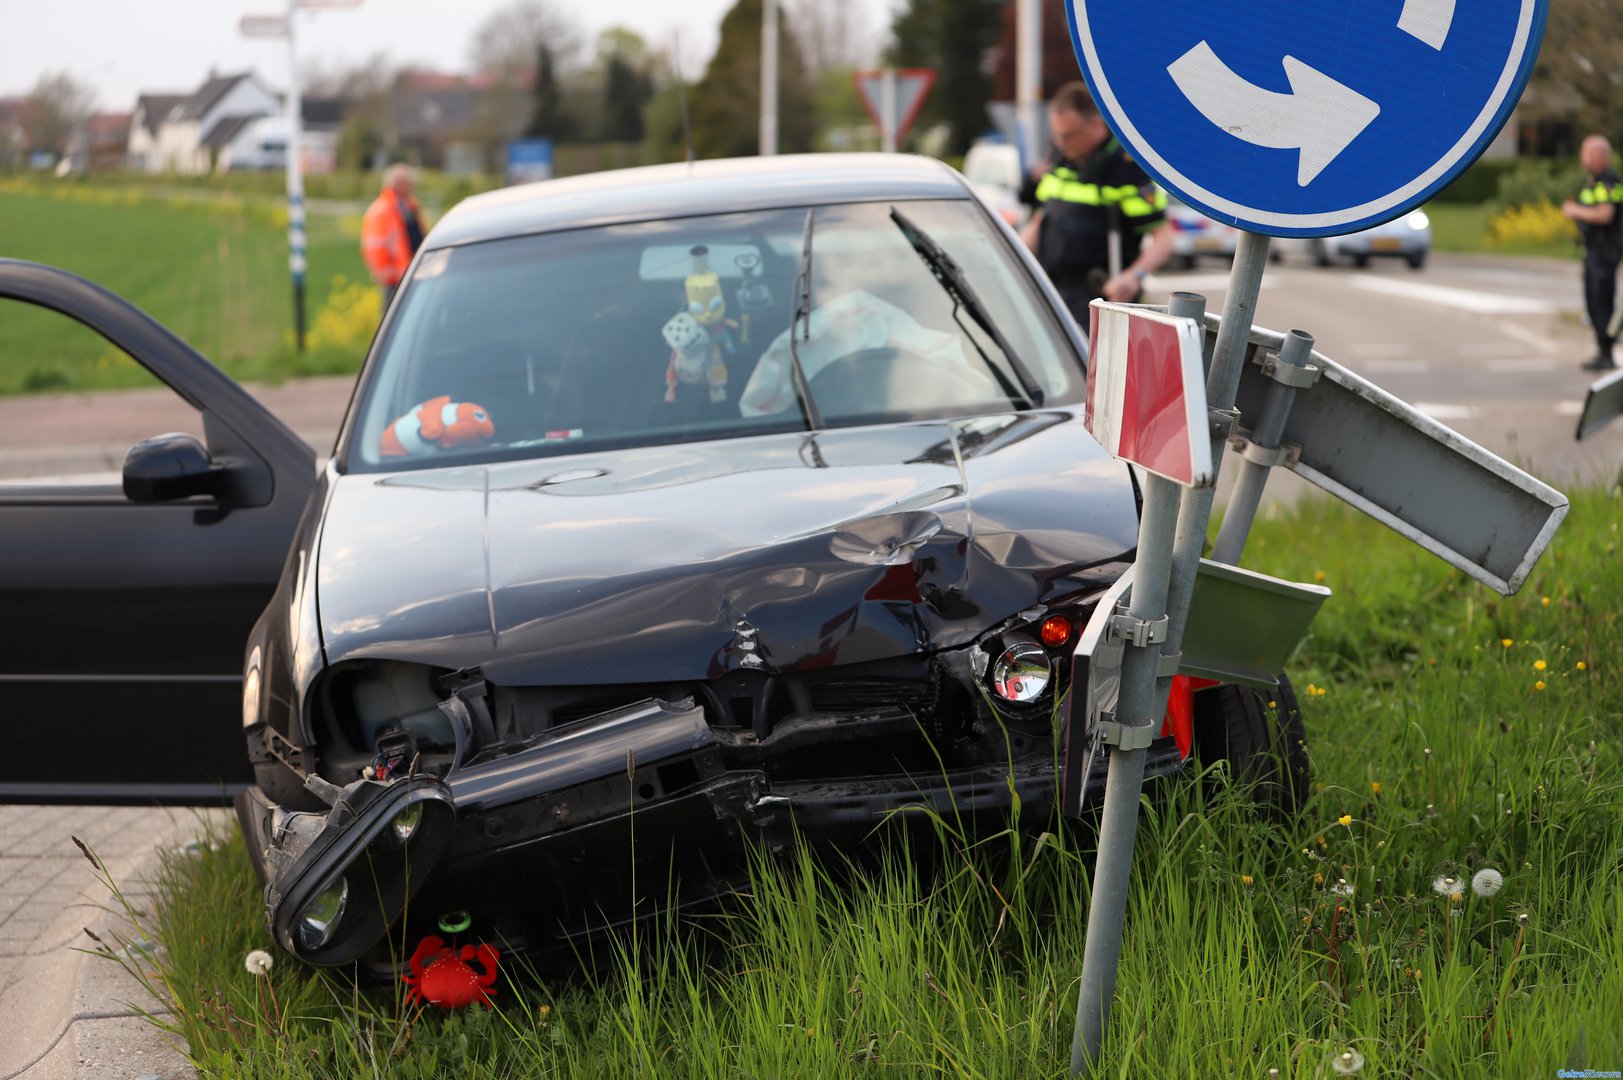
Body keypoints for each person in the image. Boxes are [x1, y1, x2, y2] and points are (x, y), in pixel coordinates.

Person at [1019, 81, 1174, 328]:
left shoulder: (1125, 168)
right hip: (1051, 291)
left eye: (1069, 135)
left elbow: (1164, 238)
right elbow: (1041, 218)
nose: (1061, 143)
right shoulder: (1062, 157)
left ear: (1095, 124)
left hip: (1099, 299)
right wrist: (1016, 260)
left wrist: (1133, 277)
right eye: (1057, 135)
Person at [1562, 134, 1623, 371]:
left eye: (1586, 151)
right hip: (1592, 250)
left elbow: (1605, 214)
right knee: (1593, 302)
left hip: (1605, 251)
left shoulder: (1609, 180)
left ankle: (1607, 352)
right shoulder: (1592, 181)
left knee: (1602, 301)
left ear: (1599, 155)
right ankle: (1601, 350)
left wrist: (1574, 211)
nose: (1582, 156)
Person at [362, 164, 425, 310]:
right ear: (397, 185)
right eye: (407, 183)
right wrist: (389, 274)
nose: (411, 186)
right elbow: (374, 248)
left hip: (415, 272)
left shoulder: (410, 205)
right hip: (394, 280)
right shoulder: (380, 210)